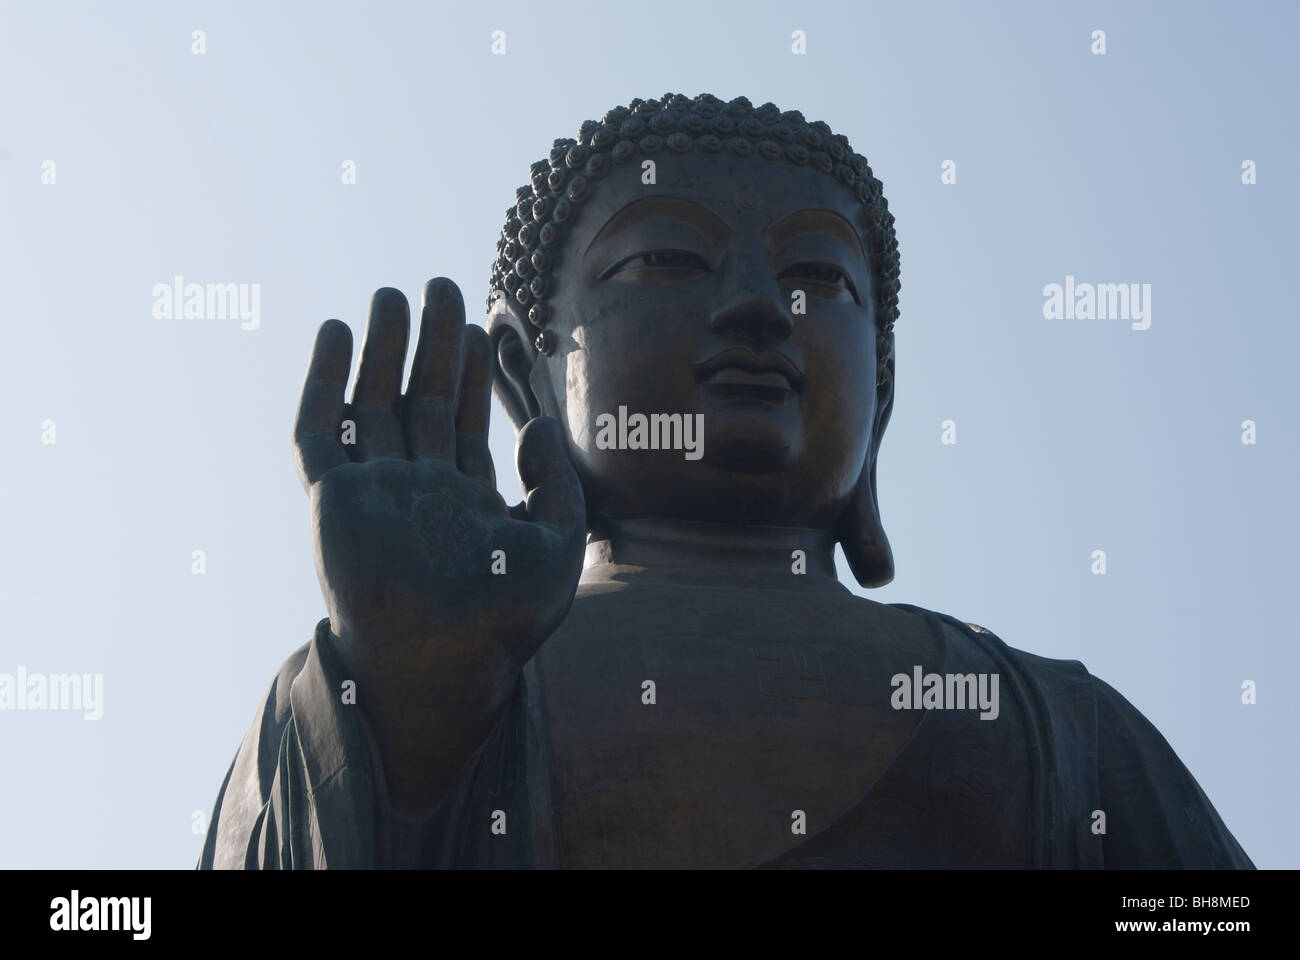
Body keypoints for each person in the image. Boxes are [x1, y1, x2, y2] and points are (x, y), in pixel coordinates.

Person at [200, 94, 1253, 868]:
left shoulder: (1060, 725)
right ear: (528, 368)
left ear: (879, 389)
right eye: (665, 260)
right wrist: (401, 728)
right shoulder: (387, 683)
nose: (760, 307)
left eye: (818, 279)